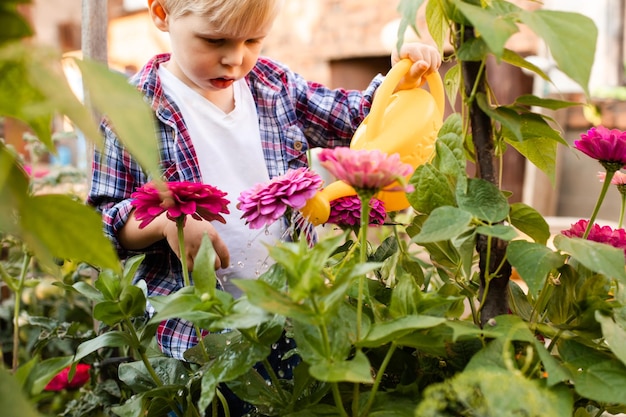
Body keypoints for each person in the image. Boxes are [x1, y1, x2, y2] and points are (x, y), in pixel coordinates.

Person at [88, 0, 439, 372]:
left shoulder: (274, 85)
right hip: (199, 342)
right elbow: (102, 224)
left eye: (253, 40)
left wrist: (401, 80)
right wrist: (165, 222)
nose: (235, 59)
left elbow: (356, 119)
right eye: (214, 40)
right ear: (161, 15)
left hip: (295, 314)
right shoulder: (132, 112)